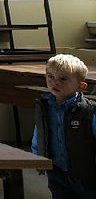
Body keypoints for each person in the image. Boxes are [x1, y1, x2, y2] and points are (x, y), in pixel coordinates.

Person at [30, 54, 96, 199]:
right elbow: (39, 134)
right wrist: (38, 157)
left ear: (81, 86)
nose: (55, 83)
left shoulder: (89, 111)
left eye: (63, 79)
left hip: (86, 173)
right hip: (57, 172)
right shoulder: (44, 108)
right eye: (50, 77)